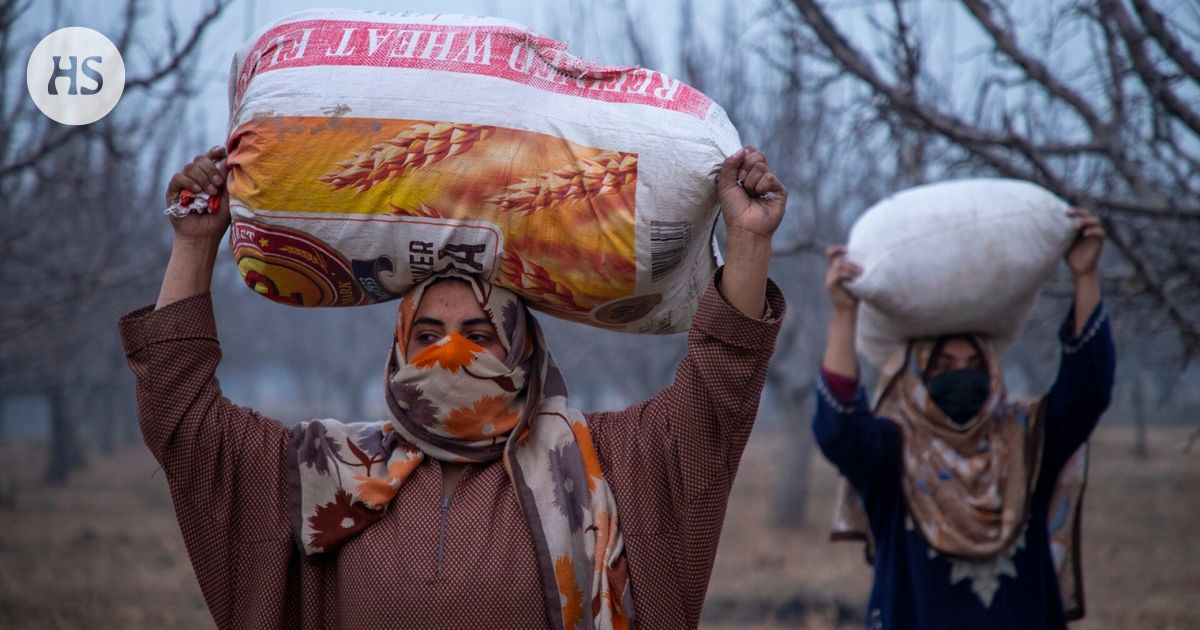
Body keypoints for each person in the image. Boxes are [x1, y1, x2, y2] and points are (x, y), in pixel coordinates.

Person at [118, 144, 788, 629]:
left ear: (524, 352)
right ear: (398, 352)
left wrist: (750, 242)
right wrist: (197, 243)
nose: (453, 353)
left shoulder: (607, 465)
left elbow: (716, 399)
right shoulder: (327, 473)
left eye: (481, 333)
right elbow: (184, 417)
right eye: (428, 335)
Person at [813, 208, 1115, 629]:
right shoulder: (892, 451)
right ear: (916, 375)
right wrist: (844, 314)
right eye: (943, 366)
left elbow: (1088, 392)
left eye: (975, 364)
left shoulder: (1027, 441)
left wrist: (1085, 276)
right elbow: (838, 429)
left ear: (993, 372)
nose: (961, 376)